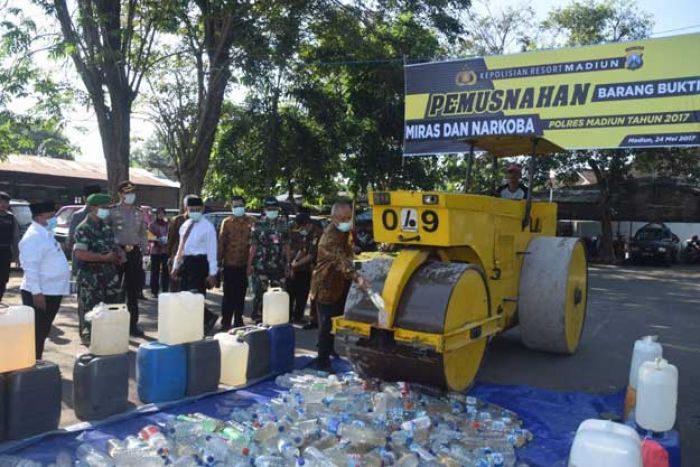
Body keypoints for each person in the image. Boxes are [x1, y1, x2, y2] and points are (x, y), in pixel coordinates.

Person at [309, 201, 370, 372]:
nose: (347, 221)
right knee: (326, 324)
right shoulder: (329, 238)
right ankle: (322, 361)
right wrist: (358, 278)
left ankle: (329, 348)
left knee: (335, 321)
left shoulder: (343, 232)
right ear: (333, 218)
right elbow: (340, 261)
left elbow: (346, 253)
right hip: (325, 285)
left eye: (349, 218)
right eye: (343, 218)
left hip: (339, 283)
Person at [19, 201, 70, 359]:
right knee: (36, 332)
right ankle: (31, 364)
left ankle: (36, 362)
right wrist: (36, 293)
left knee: (42, 330)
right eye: (51, 215)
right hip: (40, 292)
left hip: (51, 290)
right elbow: (30, 267)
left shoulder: (45, 233)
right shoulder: (33, 237)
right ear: (39, 217)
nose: (54, 218)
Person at [73, 193, 124, 344]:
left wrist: (120, 253)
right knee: (91, 310)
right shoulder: (83, 228)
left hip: (108, 276)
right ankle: (90, 340)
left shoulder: (106, 227)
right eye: (104, 208)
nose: (107, 211)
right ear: (93, 208)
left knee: (109, 308)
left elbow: (112, 245)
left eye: (108, 208)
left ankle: (106, 338)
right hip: (91, 277)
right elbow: (80, 254)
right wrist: (103, 258)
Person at [170, 196, 219, 332]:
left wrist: (212, 273)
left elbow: (212, 251)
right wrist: (175, 267)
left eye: (198, 209)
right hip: (186, 263)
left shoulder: (208, 227)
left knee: (196, 297)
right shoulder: (185, 225)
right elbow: (180, 249)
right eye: (192, 210)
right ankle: (200, 320)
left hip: (200, 264)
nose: (195, 212)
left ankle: (202, 322)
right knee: (183, 295)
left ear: (202, 209)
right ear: (187, 210)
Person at [109, 181, 148, 336]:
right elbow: (108, 234)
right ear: (120, 194)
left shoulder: (138, 212)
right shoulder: (112, 211)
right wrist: (117, 250)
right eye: (127, 193)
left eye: (133, 193)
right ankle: (114, 324)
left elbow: (143, 233)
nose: (131, 196)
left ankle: (132, 324)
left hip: (134, 253)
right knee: (115, 289)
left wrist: (144, 250)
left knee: (133, 290)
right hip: (117, 253)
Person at [247, 197, 291, 323]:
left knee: (278, 293)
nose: (272, 211)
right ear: (265, 209)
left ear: (278, 209)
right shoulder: (258, 224)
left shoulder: (284, 225)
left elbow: (287, 245)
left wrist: (288, 264)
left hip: (278, 265)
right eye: (269, 209)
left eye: (274, 208)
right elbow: (253, 245)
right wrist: (249, 265)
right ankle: (258, 318)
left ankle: (276, 318)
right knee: (260, 293)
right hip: (261, 265)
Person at [218, 196, 254, 330]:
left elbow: (254, 243)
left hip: (244, 264)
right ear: (232, 208)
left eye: (240, 205)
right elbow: (221, 242)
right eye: (235, 206)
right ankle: (225, 321)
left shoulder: (251, 221)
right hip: (229, 263)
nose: (238, 208)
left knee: (240, 294)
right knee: (228, 294)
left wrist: (252, 264)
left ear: (244, 206)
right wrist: (218, 262)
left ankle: (238, 320)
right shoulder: (226, 222)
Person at [288, 208, 322, 325]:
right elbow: (302, 250)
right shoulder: (306, 233)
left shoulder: (317, 233)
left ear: (307, 224)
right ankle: (296, 316)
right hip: (307, 268)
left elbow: (311, 255)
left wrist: (295, 265)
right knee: (295, 290)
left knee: (313, 295)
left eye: (301, 227)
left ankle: (315, 320)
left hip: (319, 268)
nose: (301, 230)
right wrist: (294, 262)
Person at [167, 194, 193, 292]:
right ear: (185, 206)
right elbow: (171, 239)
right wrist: (169, 256)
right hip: (178, 256)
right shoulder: (177, 220)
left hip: (194, 257)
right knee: (175, 285)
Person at [0, 191, 19, 304]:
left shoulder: (11, 218)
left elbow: (15, 238)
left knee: (3, 278)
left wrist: (17, 256)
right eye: (0, 201)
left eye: (5, 202)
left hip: (5, 252)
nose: (2, 204)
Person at [148, 208, 170, 297]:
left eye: (162, 214)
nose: (161, 215)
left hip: (165, 250)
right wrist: (157, 239)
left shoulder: (168, 224)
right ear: (156, 215)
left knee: (166, 271)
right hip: (155, 251)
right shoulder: (152, 224)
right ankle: (154, 292)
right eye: (159, 214)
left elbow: (171, 235)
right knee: (155, 272)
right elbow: (149, 236)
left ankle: (165, 290)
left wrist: (167, 239)